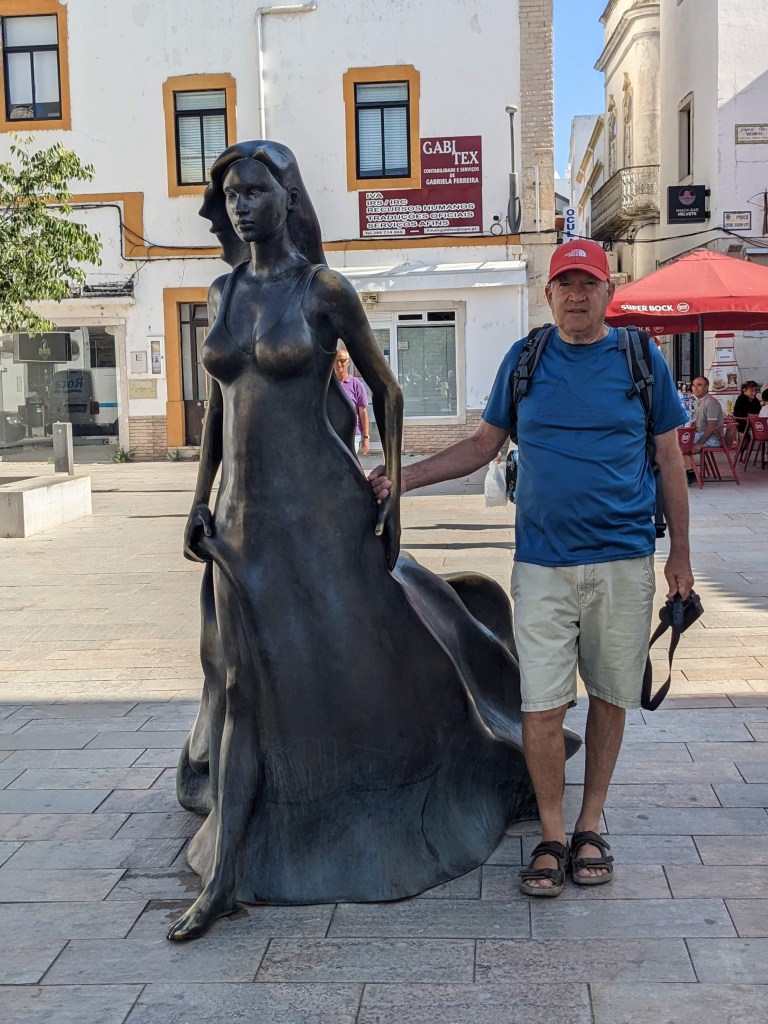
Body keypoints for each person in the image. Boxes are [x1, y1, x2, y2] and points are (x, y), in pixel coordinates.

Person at [169, 140, 555, 942]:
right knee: (241, 687)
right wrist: (198, 499)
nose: (242, 205)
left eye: (256, 190)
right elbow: (219, 408)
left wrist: (394, 492)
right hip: (241, 524)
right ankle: (229, 871)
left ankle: (386, 801)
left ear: (288, 197)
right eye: (231, 194)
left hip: (324, 513)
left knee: (349, 662)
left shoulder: (322, 289)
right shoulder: (223, 290)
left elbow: (387, 389)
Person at [371, 239, 693, 896]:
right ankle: (551, 833)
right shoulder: (525, 360)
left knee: (610, 697)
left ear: (608, 292)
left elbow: (669, 460)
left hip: (624, 561)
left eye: (588, 283)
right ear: (548, 294)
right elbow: (481, 445)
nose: (577, 295)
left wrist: (681, 556)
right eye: (565, 284)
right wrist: (403, 478)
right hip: (543, 566)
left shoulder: (641, 360)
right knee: (541, 705)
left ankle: (590, 823)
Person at [334, 346, 370, 455]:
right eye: (336, 361)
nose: (339, 364)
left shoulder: (357, 385)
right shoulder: (328, 385)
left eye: (342, 361)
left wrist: (366, 437)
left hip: (353, 435)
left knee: (348, 463)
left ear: (348, 362)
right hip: (333, 434)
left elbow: (363, 412)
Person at [690, 376, 724, 454]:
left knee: (681, 443)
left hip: (713, 439)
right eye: (693, 385)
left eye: (699, 385)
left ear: (706, 387)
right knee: (680, 440)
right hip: (700, 434)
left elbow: (711, 428)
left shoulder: (711, 402)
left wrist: (699, 444)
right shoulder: (698, 402)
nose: (695, 388)